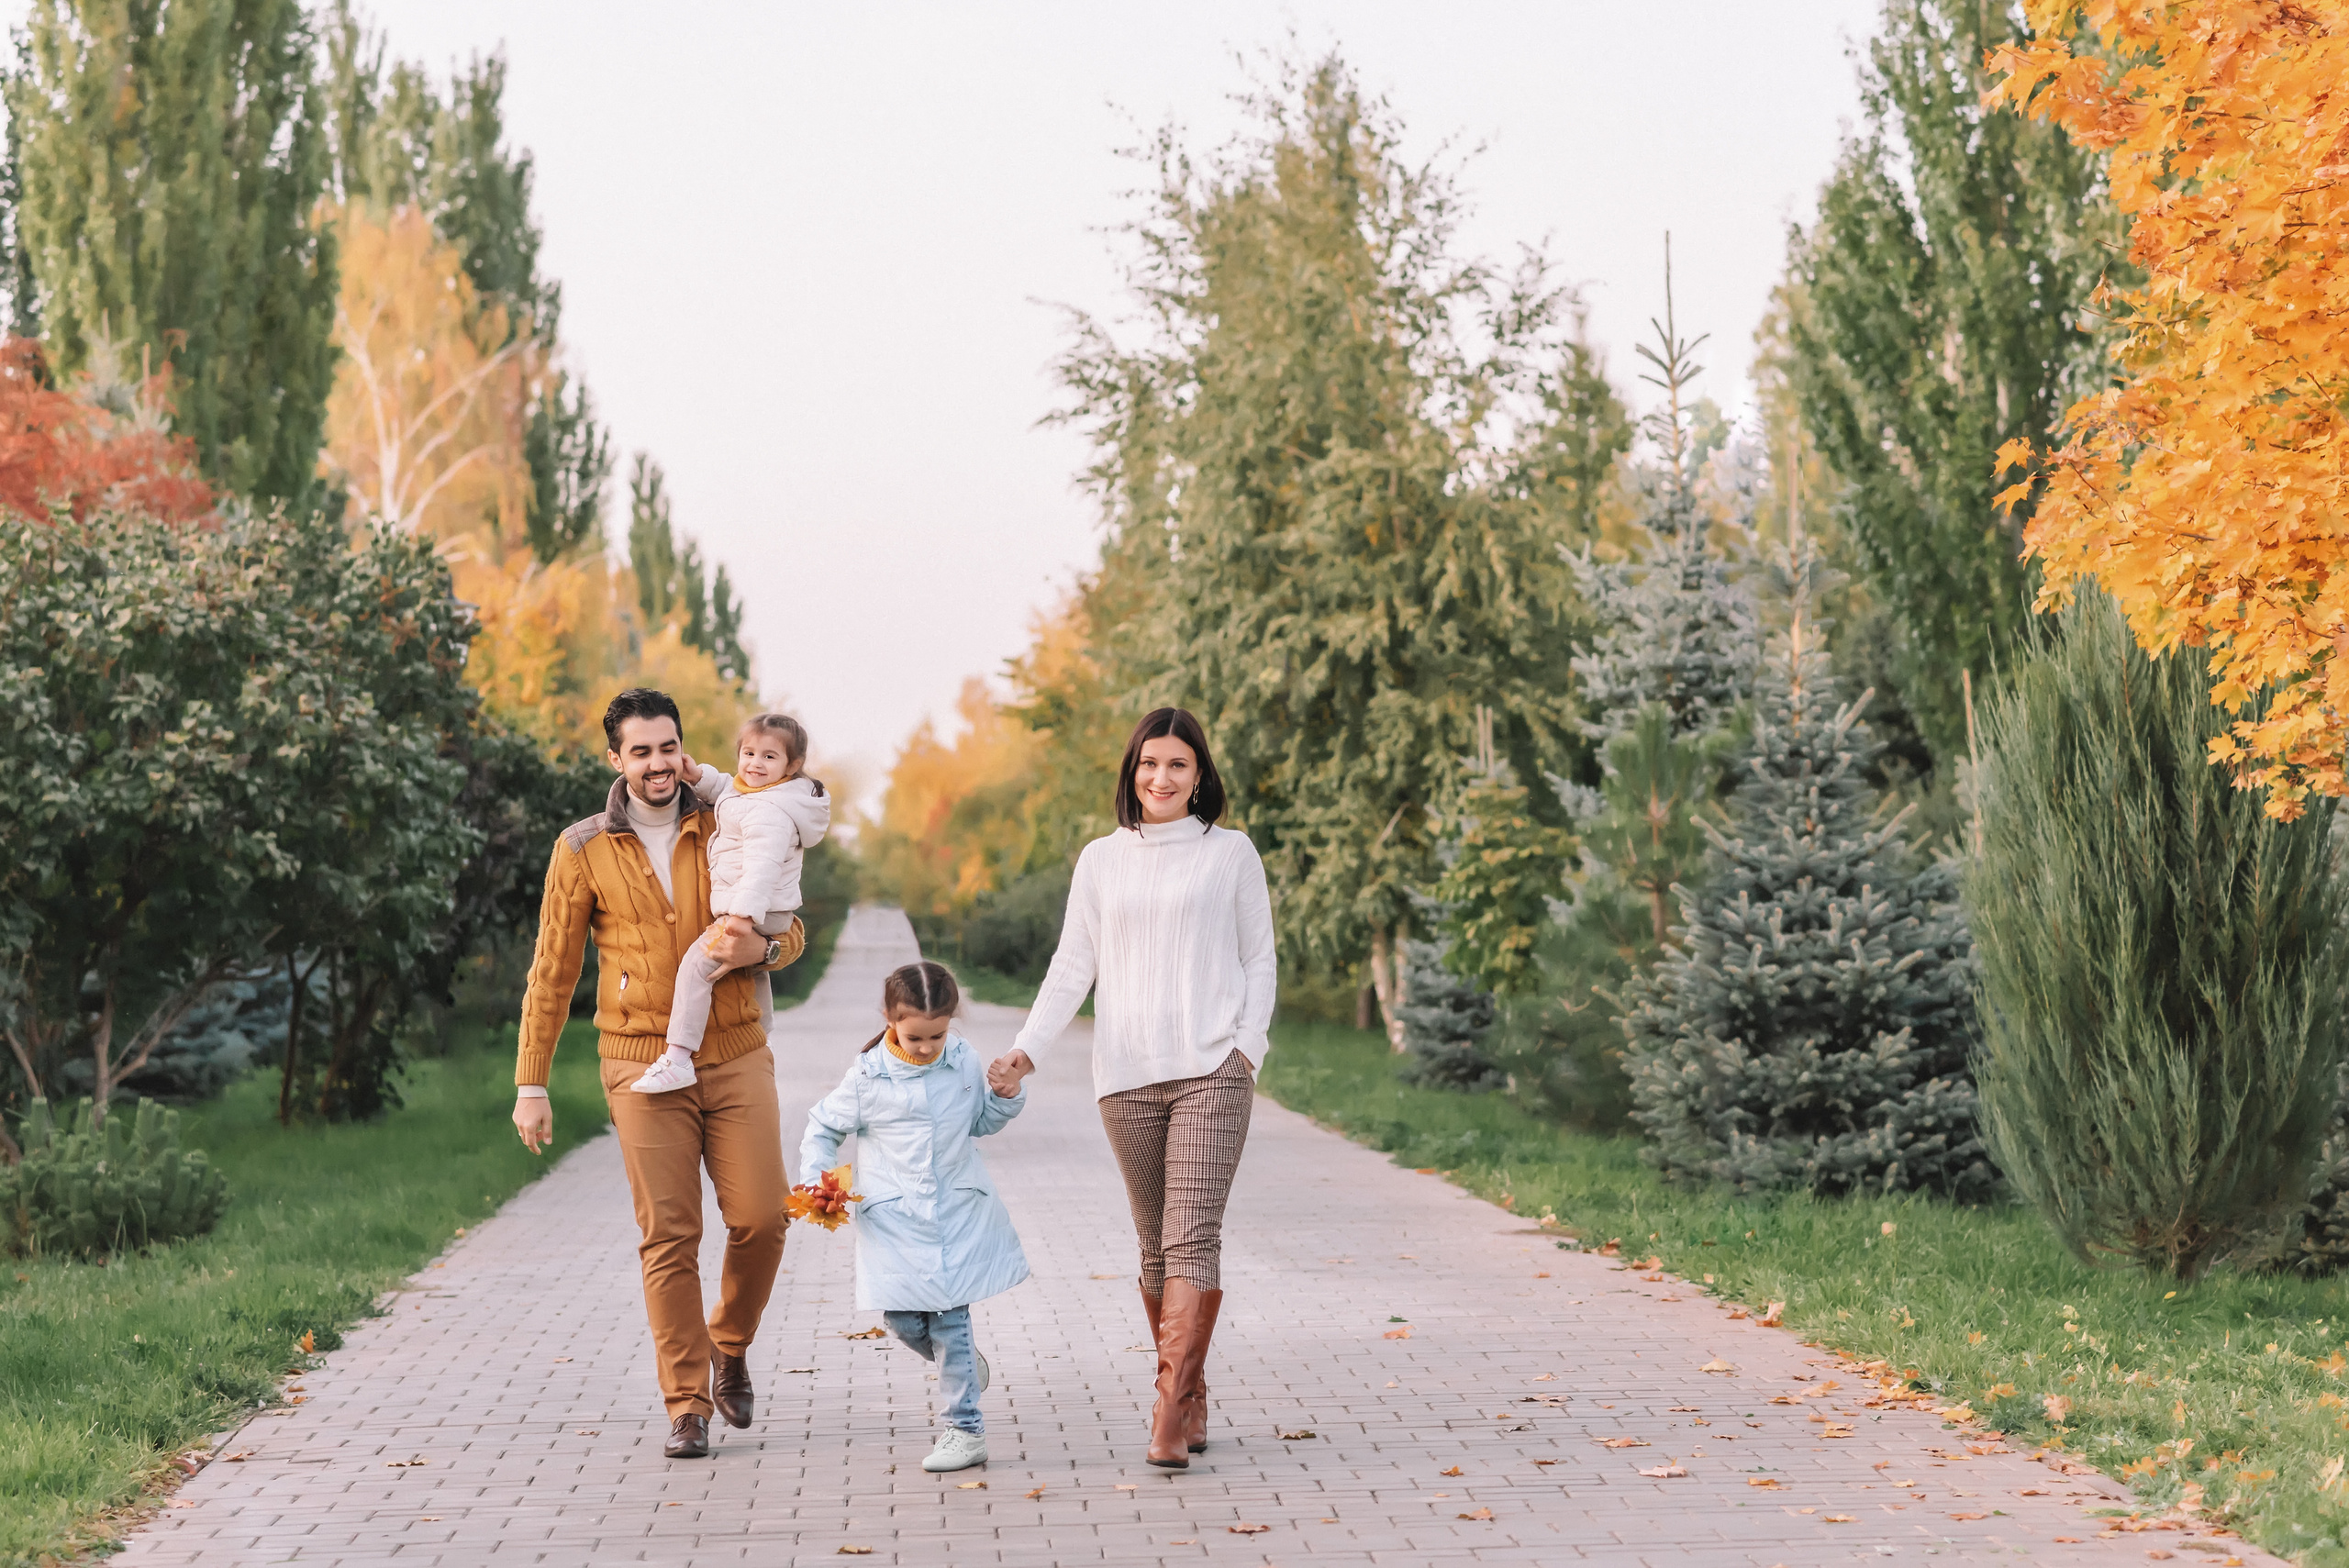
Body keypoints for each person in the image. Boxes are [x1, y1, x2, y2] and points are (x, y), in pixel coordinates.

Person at [511, 687, 804, 1461]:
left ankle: (728, 1344)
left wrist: (766, 951)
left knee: (764, 1215)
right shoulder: (582, 847)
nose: (657, 763)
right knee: (669, 1235)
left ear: (684, 749)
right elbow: (552, 969)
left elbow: (789, 921)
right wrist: (531, 1083)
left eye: (667, 747)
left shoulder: (731, 815)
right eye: (639, 751)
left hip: (736, 1047)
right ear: (615, 759)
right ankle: (687, 1403)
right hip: (640, 1061)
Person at [985, 707, 1275, 1470]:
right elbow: (1071, 965)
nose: (1162, 778)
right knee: (1154, 1245)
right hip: (1126, 1077)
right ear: (1131, 772)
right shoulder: (1102, 859)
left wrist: (1247, 1049)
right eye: (1150, 764)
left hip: (1213, 1069)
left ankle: (1167, 1413)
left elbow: (1261, 960)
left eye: (1179, 765)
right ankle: (1191, 1390)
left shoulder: (1232, 854)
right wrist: (1026, 1050)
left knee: (1191, 1234)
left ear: (1201, 775)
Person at [799, 961, 1029, 1474]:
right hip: (894, 1220)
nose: (927, 1047)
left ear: (952, 1024)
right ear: (889, 1019)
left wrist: (1007, 1095)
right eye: (916, 1036)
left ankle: (965, 1430)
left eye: (938, 1035)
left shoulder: (963, 1061)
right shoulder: (866, 1077)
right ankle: (966, 1364)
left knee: (950, 1321)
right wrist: (820, 1182)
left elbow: (981, 1122)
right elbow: (821, 1128)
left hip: (954, 1213)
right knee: (902, 1321)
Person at [632, 711, 830, 1094]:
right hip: (768, 912)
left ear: (792, 765)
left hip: (753, 908)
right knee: (749, 970)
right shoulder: (756, 793)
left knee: (697, 967)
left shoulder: (770, 812)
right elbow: (727, 788)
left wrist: (741, 918)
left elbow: (761, 869)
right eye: (749, 753)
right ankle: (760, 1036)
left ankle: (677, 1057)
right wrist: (697, 775)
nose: (755, 764)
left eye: (769, 757)